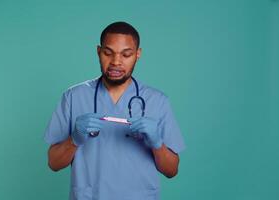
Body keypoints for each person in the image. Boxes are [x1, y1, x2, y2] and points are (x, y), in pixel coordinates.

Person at [44, 21, 185, 200]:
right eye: (108, 53)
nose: (116, 62)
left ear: (137, 54)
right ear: (98, 51)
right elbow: (53, 163)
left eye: (126, 54)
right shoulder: (73, 97)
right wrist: (74, 139)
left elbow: (172, 171)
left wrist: (157, 144)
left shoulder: (157, 101)